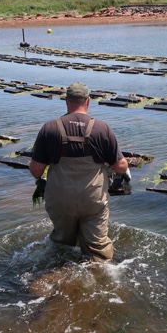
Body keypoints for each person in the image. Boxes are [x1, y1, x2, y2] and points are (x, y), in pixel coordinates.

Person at [29, 82, 129, 262]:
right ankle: (100, 274)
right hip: (92, 198)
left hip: (60, 198)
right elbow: (120, 166)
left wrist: (40, 181)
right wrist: (125, 172)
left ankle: (57, 275)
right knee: (97, 248)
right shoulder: (102, 128)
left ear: (66, 100)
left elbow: (36, 169)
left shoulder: (49, 128)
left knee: (62, 245)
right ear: (88, 101)